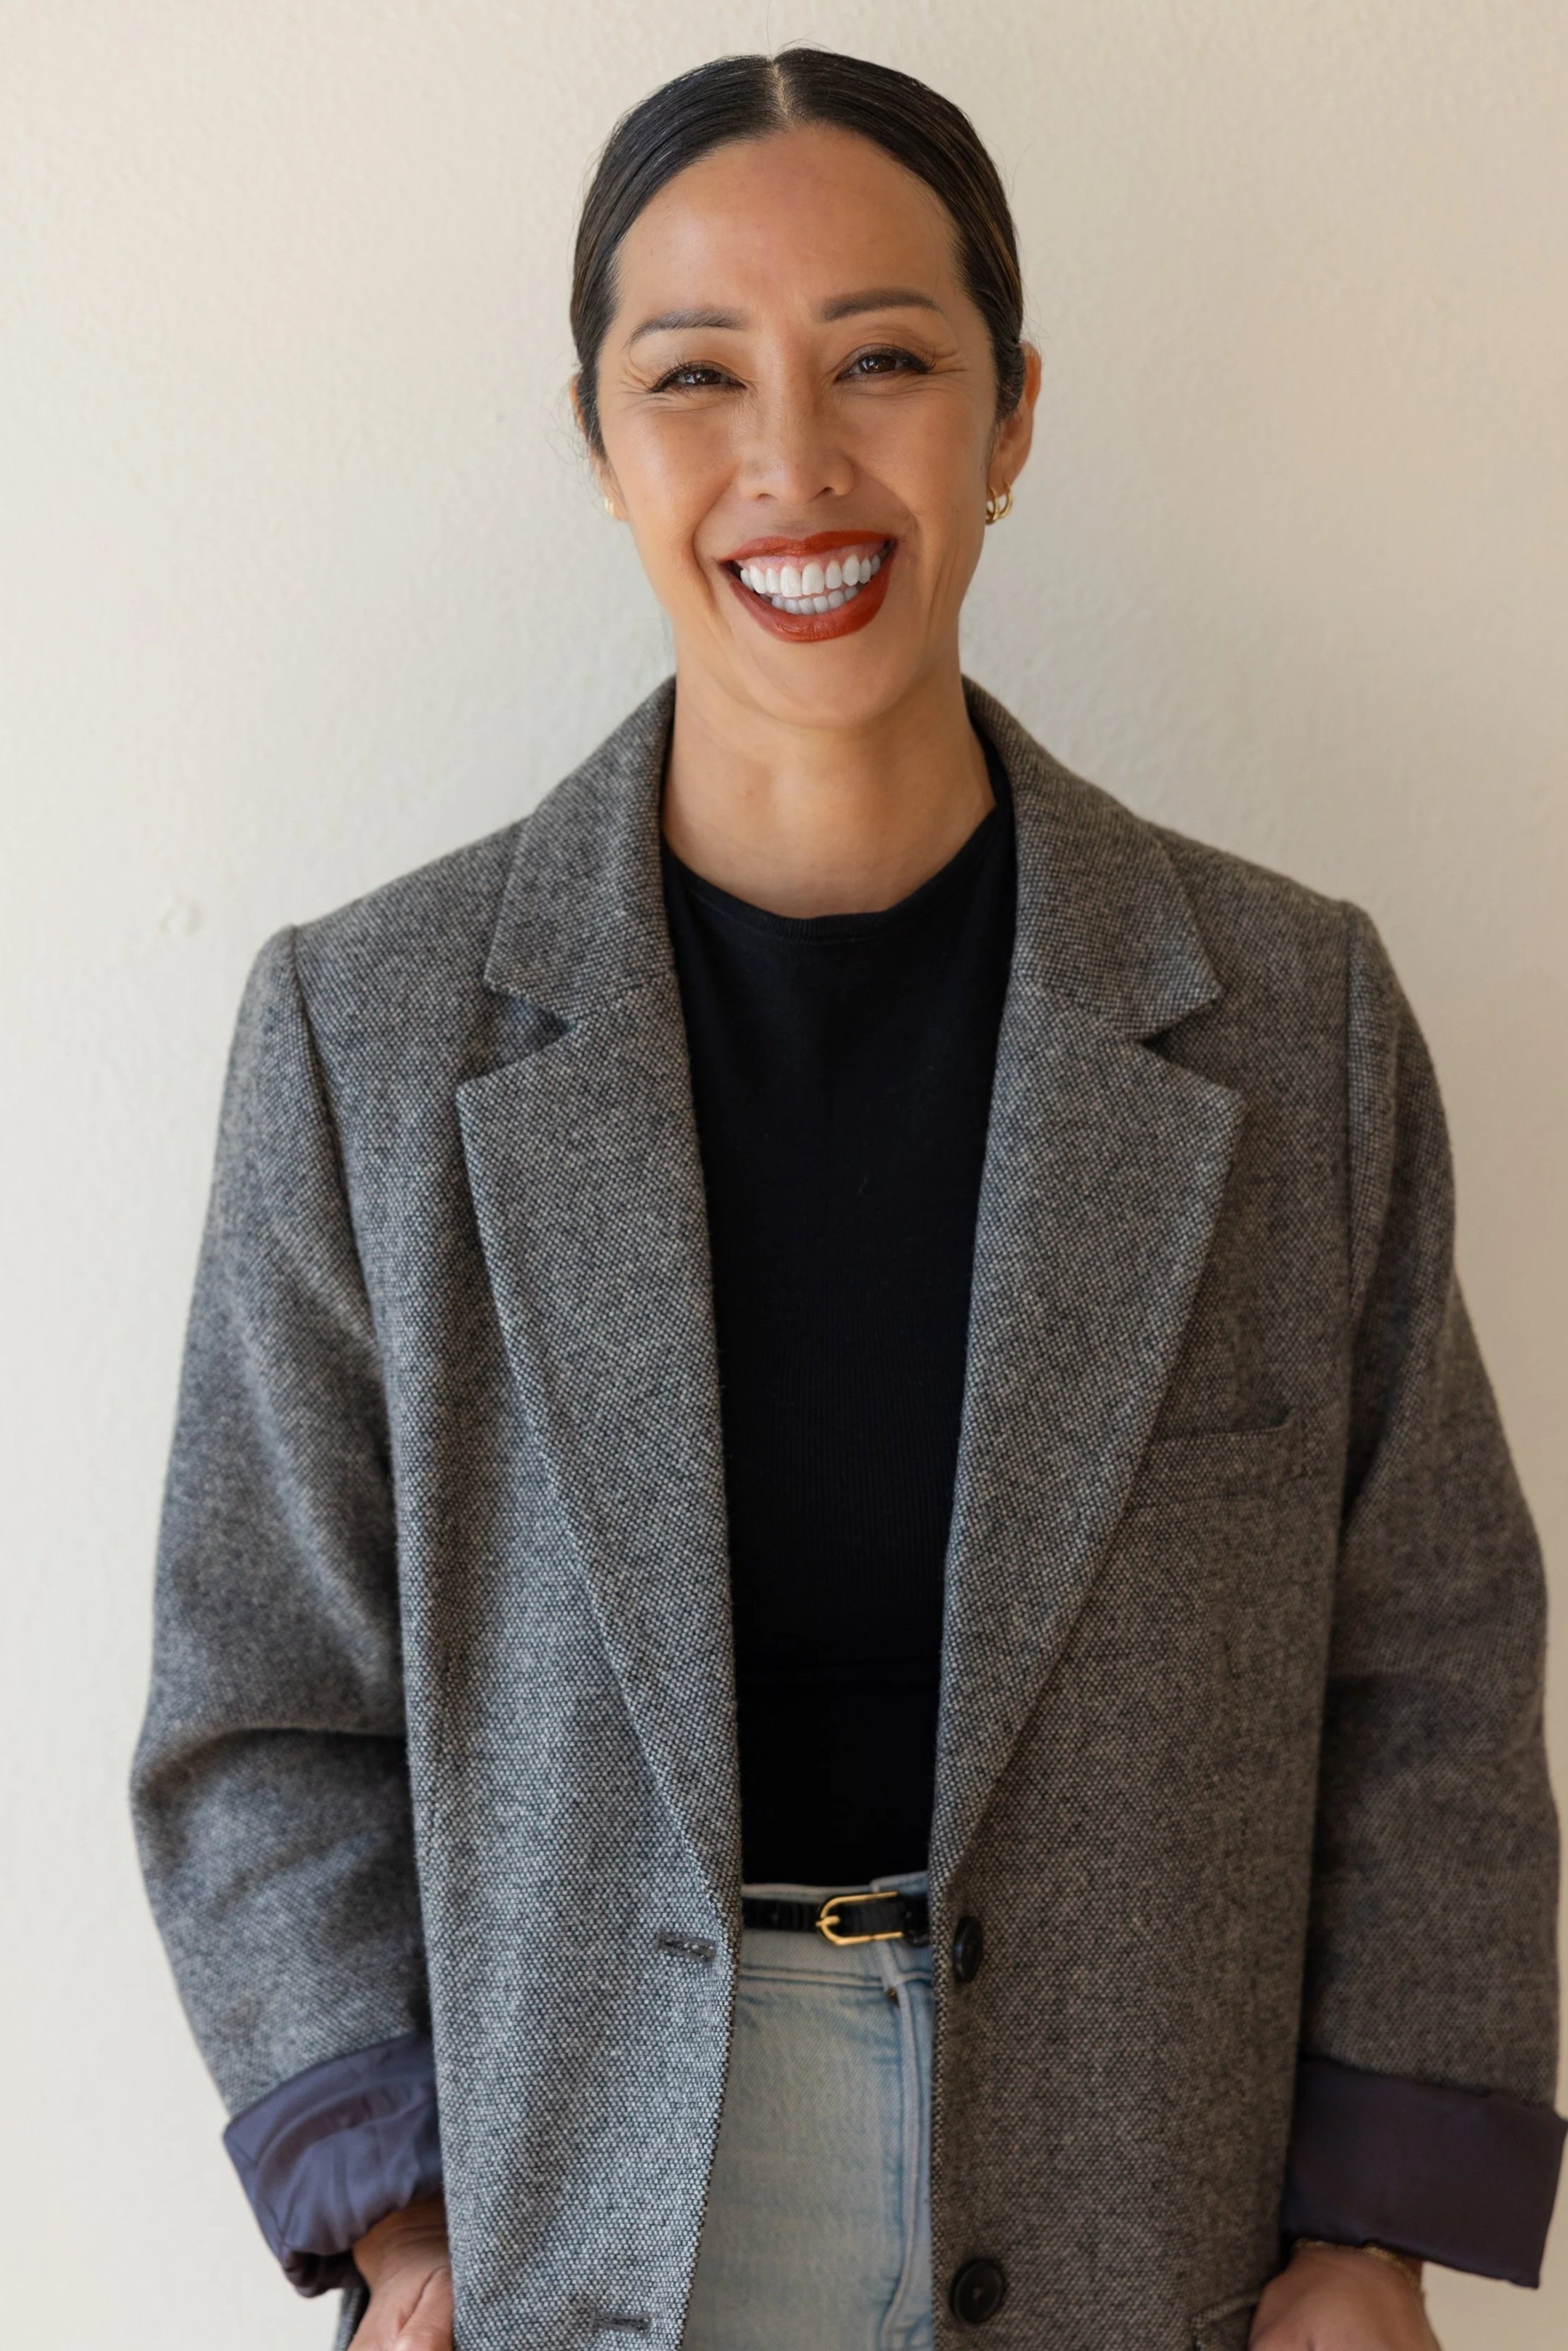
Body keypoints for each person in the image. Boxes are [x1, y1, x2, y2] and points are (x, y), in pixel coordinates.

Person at [130, 47, 1562, 2351]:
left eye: (882, 361)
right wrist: (396, 2219)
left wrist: (1369, 2227)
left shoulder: (1287, 1024)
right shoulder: (367, 1040)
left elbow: (1429, 1667)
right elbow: (262, 1707)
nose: (792, 463)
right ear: (599, 443)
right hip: (591, 2215)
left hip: (1145, 2194)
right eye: (693, 376)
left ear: (1008, 417)